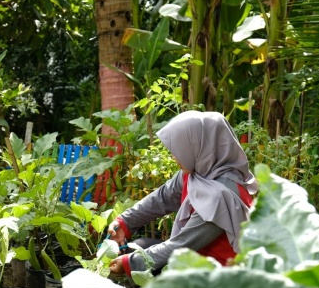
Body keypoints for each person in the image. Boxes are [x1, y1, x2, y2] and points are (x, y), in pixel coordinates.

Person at [108, 111, 257, 276]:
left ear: (198, 147)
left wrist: (130, 263)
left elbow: (181, 245)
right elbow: (163, 198)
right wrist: (124, 222)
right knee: (137, 247)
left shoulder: (221, 196)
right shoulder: (197, 174)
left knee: (140, 261)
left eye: (179, 150)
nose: (173, 157)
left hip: (219, 279)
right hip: (196, 261)